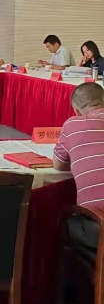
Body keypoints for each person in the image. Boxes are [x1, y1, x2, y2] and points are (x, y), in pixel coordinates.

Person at [53, 82, 104, 254]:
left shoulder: (72, 125)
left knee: (65, 221)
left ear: (76, 111)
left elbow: (58, 165)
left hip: (99, 227)